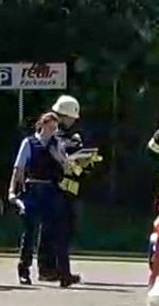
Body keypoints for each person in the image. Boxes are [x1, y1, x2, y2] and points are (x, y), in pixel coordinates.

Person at [10, 110, 71, 286]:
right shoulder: (29, 143)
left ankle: (63, 272)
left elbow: (66, 168)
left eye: (55, 128)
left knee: (58, 231)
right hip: (33, 188)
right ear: (42, 125)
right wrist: (12, 190)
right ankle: (24, 270)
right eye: (50, 127)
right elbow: (19, 168)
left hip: (52, 189)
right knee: (29, 231)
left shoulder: (56, 144)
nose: (52, 131)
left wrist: (60, 158)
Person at [50, 95, 102, 287]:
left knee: (65, 230)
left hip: (71, 189)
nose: (73, 121)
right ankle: (60, 272)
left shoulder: (74, 137)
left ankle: (56, 270)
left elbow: (83, 161)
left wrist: (87, 162)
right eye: (70, 117)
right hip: (55, 189)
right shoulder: (52, 136)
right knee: (59, 232)